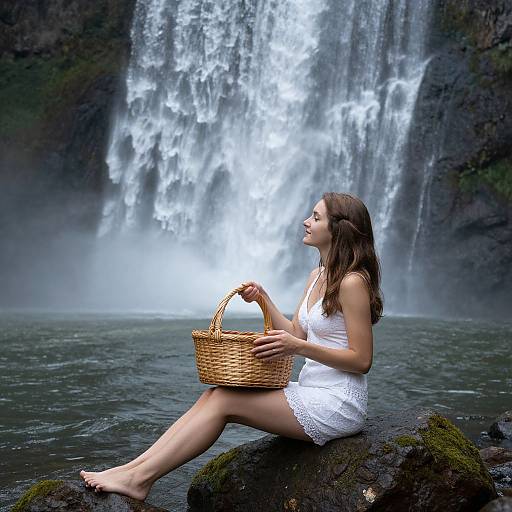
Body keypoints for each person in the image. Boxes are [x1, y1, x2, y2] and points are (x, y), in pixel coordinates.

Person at [79, 191, 383, 500]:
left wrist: (297, 348)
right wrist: (264, 299)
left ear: (339, 229)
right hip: (311, 389)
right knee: (215, 393)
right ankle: (131, 470)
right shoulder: (317, 275)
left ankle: (140, 480)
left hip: (338, 402)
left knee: (226, 402)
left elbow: (361, 360)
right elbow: (296, 332)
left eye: (316, 217)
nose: (306, 221)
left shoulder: (352, 282)